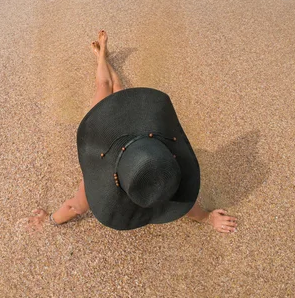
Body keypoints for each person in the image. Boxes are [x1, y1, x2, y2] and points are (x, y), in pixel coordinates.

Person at [23, 30, 237, 234]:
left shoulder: (165, 178)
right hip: (108, 133)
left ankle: (102, 56)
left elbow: (75, 208)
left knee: (116, 88)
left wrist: (50, 219)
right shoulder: (162, 175)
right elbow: (188, 206)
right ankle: (101, 57)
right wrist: (206, 217)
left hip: (133, 137)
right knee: (105, 85)